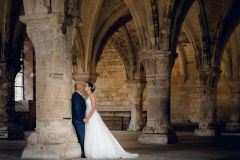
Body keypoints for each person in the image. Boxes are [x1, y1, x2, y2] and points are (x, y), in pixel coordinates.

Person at [83, 81, 139, 159]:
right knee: (91, 133)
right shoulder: (88, 96)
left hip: (92, 117)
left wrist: (88, 118)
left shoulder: (92, 96)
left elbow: (94, 108)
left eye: (85, 85)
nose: (84, 86)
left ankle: (99, 150)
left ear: (89, 87)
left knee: (95, 132)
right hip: (89, 116)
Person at [71, 81, 86, 158]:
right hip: (79, 120)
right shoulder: (76, 96)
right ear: (79, 87)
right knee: (82, 136)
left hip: (79, 120)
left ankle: (83, 152)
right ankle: (83, 153)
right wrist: (82, 119)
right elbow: (76, 109)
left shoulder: (77, 95)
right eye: (83, 86)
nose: (84, 87)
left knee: (82, 136)